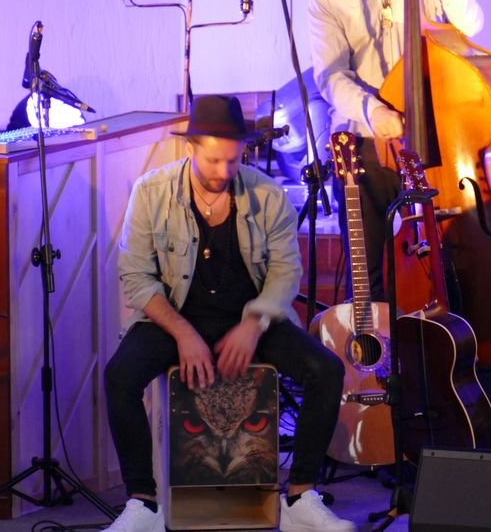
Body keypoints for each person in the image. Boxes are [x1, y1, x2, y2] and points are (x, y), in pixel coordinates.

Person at [103, 95, 352, 532]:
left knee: (326, 370)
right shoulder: (151, 191)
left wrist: (253, 325)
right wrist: (183, 333)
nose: (223, 171)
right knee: (119, 376)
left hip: (249, 316)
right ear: (190, 148)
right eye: (213, 160)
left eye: (233, 161)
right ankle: (142, 504)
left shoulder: (267, 194)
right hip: (175, 315)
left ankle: (300, 496)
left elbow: (285, 271)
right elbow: (136, 277)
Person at [308, 0, 484, 300]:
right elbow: (330, 75)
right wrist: (374, 110)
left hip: (433, 139)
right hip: (364, 145)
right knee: (368, 276)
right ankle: (376, 344)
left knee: (447, 265)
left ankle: (447, 339)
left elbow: (471, 25)